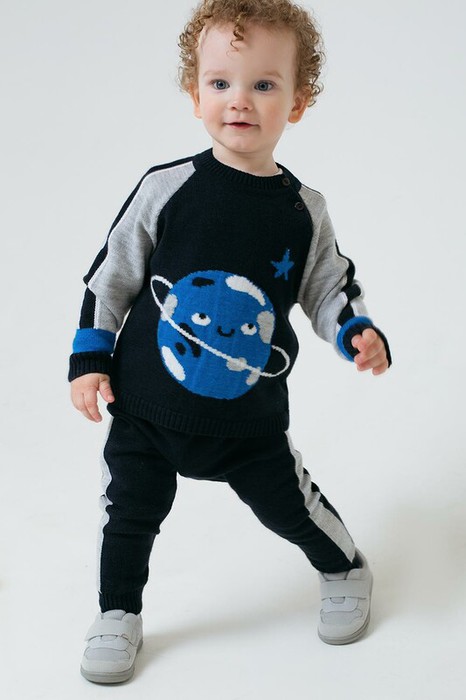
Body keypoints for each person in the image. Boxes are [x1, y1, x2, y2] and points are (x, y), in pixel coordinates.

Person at [69, 0, 391, 685]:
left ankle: (344, 568)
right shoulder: (168, 187)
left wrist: (355, 331)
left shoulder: (303, 211)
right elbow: (112, 276)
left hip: (246, 423)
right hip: (144, 408)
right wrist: (90, 358)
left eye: (263, 84)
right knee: (127, 516)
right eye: (220, 83)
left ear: (297, 103)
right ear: (196, 96)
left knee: (288, 506)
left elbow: (328, 288)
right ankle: (117, 611)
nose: (239, 100)